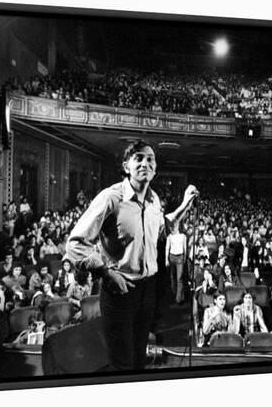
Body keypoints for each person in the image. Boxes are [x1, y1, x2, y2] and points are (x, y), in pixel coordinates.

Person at [65, 139, 198, 371]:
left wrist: (185, 205)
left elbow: (162, 227)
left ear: (155, 168)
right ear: (126, 166)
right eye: (138, 158)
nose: (145, 163)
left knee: (139, 358)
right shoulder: (111, 198)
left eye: (150, 159)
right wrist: (105, 273)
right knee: (122, 363)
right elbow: (74, 244)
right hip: (119, 291)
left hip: (148, 290)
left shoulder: (154, 199)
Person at [165, 223, 187, 304]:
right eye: (173, 226)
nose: (174, 227)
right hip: (172, 257)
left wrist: (185, 256)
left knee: (179, 278)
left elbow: (185, 247)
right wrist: (166, 260)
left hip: (180, 257)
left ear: (178, 226)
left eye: (176, 225)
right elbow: (167, 247)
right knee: (172, 276)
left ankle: (178, 298)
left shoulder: (183, 236)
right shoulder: (170, 236)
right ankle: (175, 292)